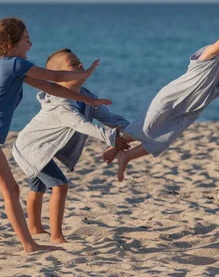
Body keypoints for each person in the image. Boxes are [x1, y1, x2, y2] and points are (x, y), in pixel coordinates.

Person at [0, 18, 111, 260]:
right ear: (10, 44)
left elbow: (52, 87)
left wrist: (90, 101)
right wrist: (86, 71)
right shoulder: (14, 64)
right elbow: (56, 75)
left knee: (12, 190)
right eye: (26, 39)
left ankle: (29, 245)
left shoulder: (14, 68)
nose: (31, 43)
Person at [104, 10, 219, 180]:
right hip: (170, 101)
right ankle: (114, 147)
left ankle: (126, 156)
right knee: (145, 128)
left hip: (189, 113)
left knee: (162, 140)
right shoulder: (208, 59)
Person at [13, 48, 131, 243]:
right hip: (30, 149)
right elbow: (82, 125)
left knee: (37, 188)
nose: (80, 66)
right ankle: (56, 235)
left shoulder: (86, 96)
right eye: (73, 64)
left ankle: (34, 228)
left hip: (44, 148)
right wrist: (111, 138)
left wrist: (133, 129)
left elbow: (108, 118)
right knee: (60, 185)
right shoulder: (61, 104)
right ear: (59, 76)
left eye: (79, 62)